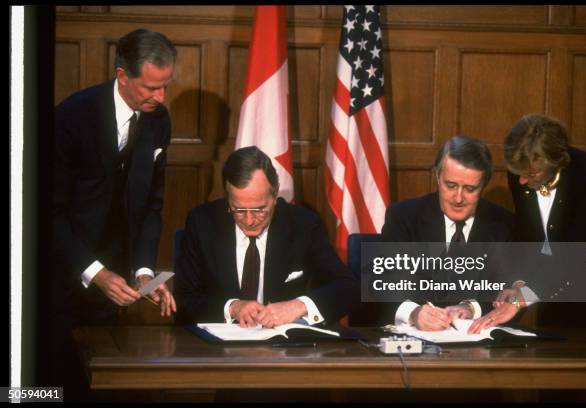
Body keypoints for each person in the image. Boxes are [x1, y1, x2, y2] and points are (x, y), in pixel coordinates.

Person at [47, 29, 178, 397]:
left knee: (99, 386)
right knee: (53, 387)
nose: (161, 96)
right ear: (122, 75)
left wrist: (144, 271)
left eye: (166, 85)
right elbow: (49, 214)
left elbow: (150, 204)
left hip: (113, 286)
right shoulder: (72, 118)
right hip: (61, 278)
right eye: (151, 87)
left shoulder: (158, 120)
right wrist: (96, 272)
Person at [175, 146, 359, 327]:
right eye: (238, 210)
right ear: (228, 199)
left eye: (259, 210)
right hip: (216, 351)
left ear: (275, 194)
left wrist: (299, 306)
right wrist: (232, 308)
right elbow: (184, 298)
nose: (249, 220)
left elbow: (347, 288)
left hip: (283, 351)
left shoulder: (303, 225)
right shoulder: (202, 222)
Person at [380, 135, 515, 333]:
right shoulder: (404, 217)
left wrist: (471, 308)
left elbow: (507, 292)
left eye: (469, 189)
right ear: (437, 176)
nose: (458, 198)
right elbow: (385, 282)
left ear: (483, 186)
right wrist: (414, 312)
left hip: (476, 347)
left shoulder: (503, 224)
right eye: (450, 185)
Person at [491, 113, 586, 329]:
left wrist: (520, 298)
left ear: (556, 160)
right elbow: (527, 234)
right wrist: (519, 283)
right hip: (551, 298)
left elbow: (576, 252)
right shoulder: (521, 173)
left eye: (532, 174)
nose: (522, 180)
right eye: (519, 173)